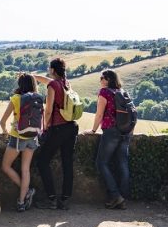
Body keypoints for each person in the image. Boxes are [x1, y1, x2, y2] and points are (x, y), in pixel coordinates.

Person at [34, 58, 78, 210]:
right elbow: (48, 81)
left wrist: (45, 127)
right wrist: (33, 77)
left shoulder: (53, 85)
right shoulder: (66, 82)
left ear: (52, 70)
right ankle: (65, 199)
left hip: (57, 128)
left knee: (42, 161)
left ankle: (52, 198)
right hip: (71, 127)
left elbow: (48, 110)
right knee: (67, 163)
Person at [88, 69, 130, 210]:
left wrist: (93, 130)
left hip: (111, 131)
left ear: (107, 79)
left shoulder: (104, 92)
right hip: (125, 132)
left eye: (102, 77)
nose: (100, 80)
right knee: (122, 164)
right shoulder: (121, 92)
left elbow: (99, 114)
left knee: (102, 163)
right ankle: (123, 198)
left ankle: (116, 195)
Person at [0, 74, 40, 212]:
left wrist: (5, 132)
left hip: (17, 137)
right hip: (33, 137)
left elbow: (3, 121)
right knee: (26, 170)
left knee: (5, 166)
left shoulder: (16, 98)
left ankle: (28, 191)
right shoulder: (38, 98)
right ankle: (21, 202)